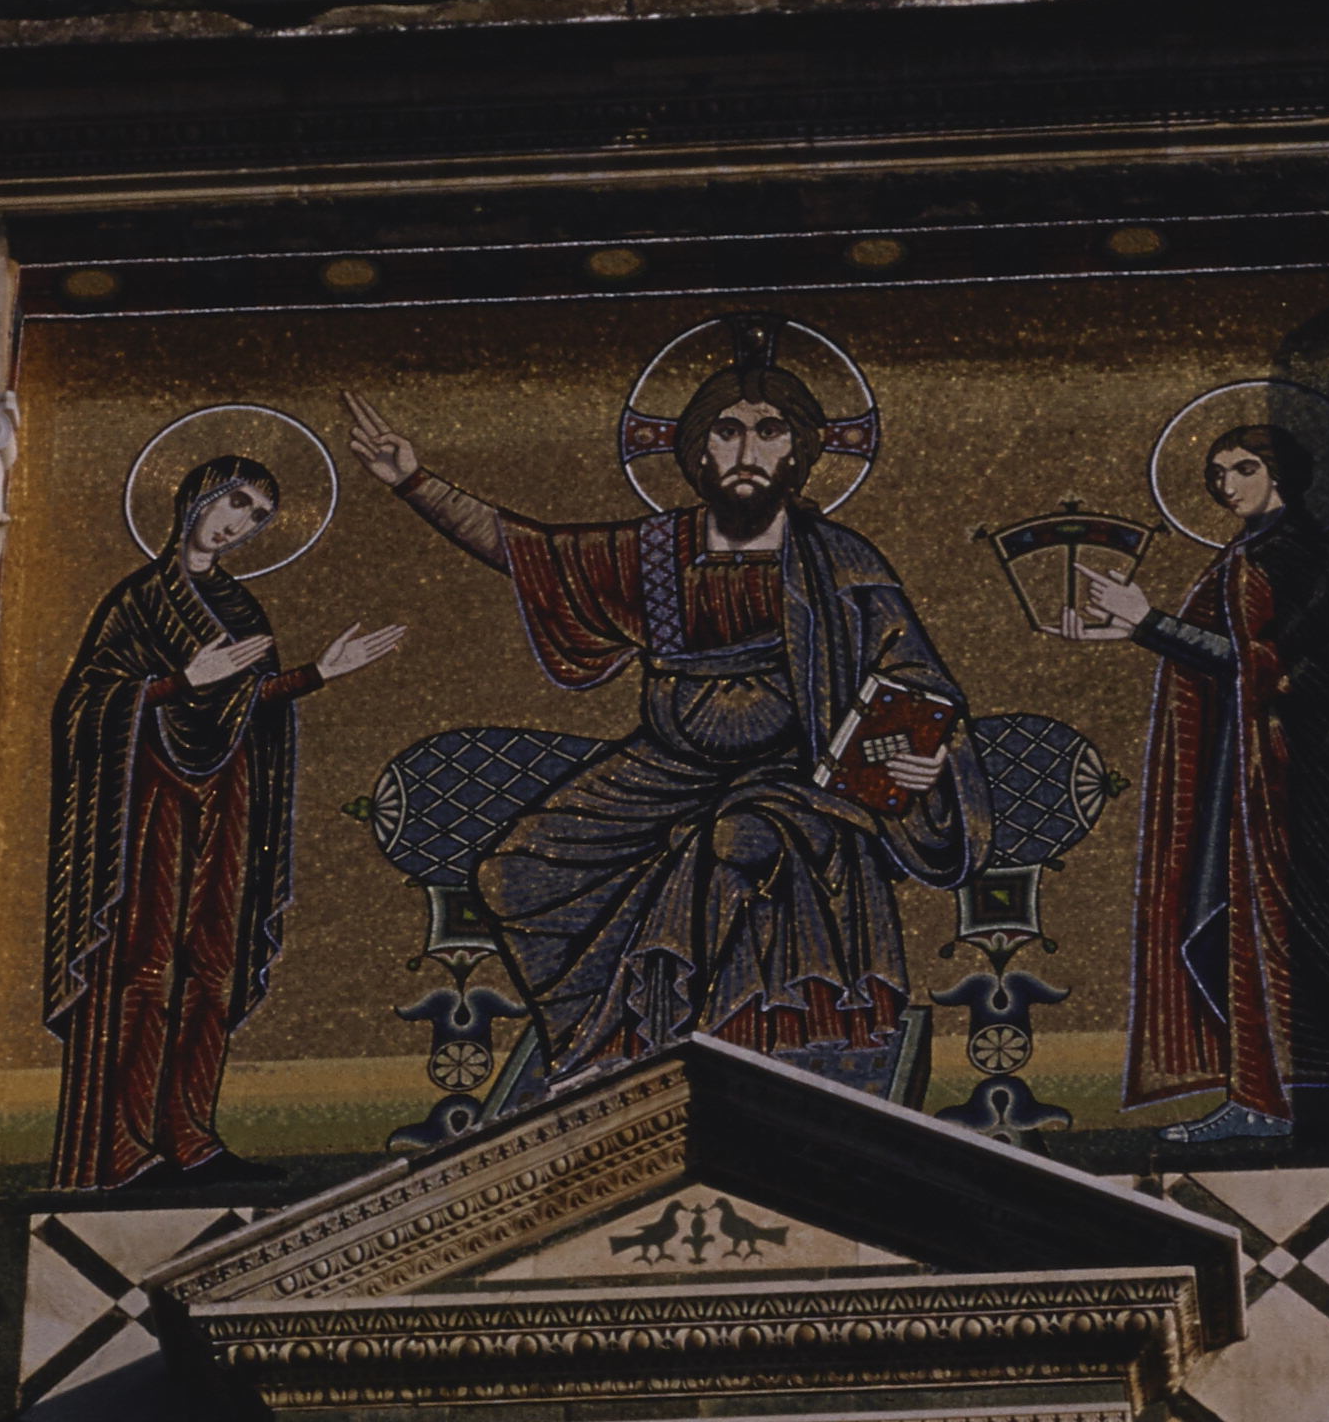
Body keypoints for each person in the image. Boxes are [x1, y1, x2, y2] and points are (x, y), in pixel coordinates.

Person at [344, 334, 978, 1089]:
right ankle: (607, 1044)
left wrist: (920, 759)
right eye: (727, 430)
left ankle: (748, 1041)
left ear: (798, 454)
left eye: (770, 431)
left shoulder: (838, 559)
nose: (748, 451)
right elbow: (528, 551)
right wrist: (415, 483)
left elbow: (914, 678)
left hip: (794, 774)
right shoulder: (654, 550)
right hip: (664, 769)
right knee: (512, 875)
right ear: (700, 451)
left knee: (740, 842)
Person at [43, 453, 404, 1186]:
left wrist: (318, 673)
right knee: (145, 963)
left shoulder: (241, 610)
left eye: (258, 516)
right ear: (198, 495)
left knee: (213, 960)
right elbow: (84, 705)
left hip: (226, 791)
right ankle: (123, 1147)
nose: (240, 524)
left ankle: (191, 1137)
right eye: (236, 502)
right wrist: (179, 682)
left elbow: (249, 699)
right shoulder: (139, 600)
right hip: (147, 795)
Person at [1079, 422, 1329, 1150]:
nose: (1225, 485)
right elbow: (1219, 654)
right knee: (1213, 931)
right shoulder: (1241, 556)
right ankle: (1262, 1094)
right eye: (1216, 473)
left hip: (1298, 775)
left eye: (1242, 468)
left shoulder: (1311, 557)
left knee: (1311, 934)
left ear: (1280, 473)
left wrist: (1149, 624)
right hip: (1237, 774)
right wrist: (1134, 630)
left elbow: (1266, 660)